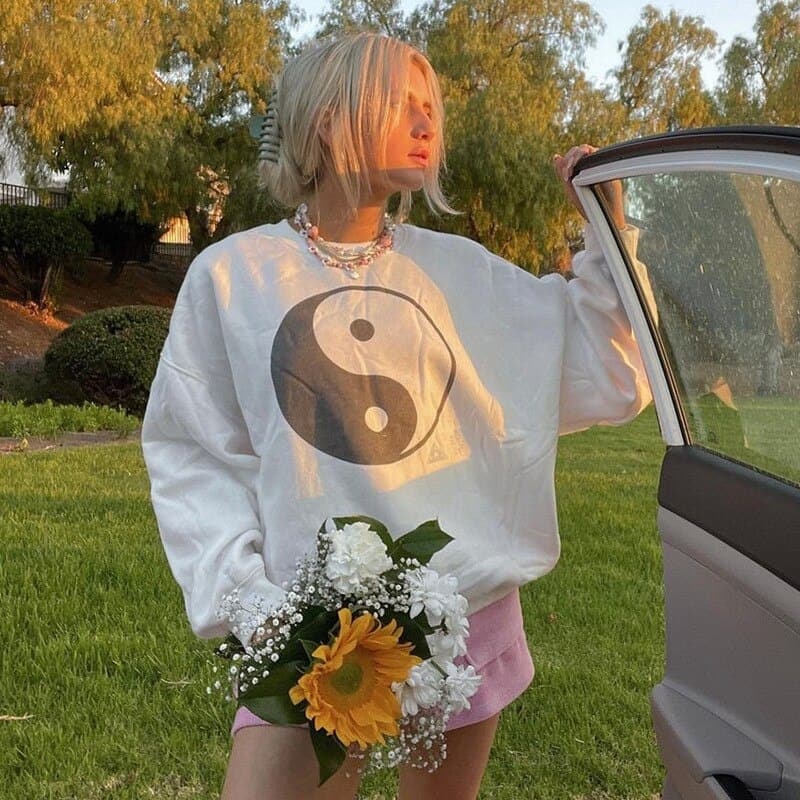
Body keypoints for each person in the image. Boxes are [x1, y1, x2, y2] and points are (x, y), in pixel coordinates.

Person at [141, 32, 650, 800]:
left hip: (462, 613)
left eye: (429, 107)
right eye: (400, 103)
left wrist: (607, 231)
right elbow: (194, 453)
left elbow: (606, 371)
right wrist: (251, 601)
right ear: (327, 118)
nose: (426, 123)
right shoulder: (233, 276)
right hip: (307, 632)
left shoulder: (460, 273)